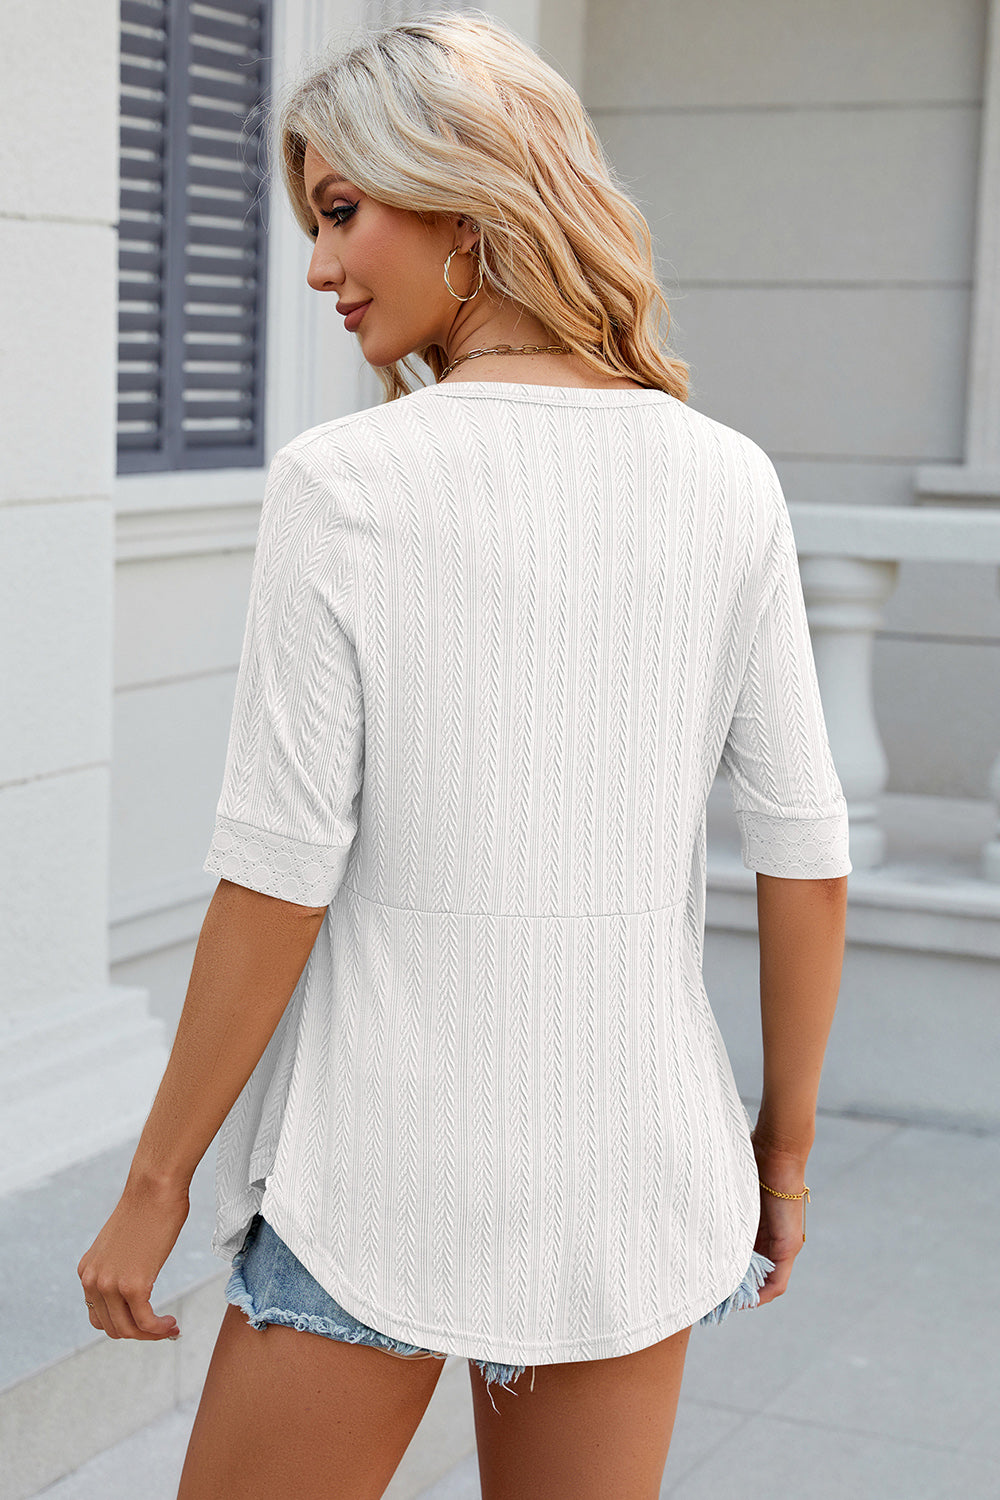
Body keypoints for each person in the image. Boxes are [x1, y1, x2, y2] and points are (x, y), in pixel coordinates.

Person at [77, 10, 850, 1498]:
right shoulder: (727, 478)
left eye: (340, 211)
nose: (318, 269)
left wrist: (155, 1185)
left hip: (384, 1172)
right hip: (636, 1171)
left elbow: (278, 871)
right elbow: (805, 856)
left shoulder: (345, 482)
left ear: (465, 195)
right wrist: (781, 1157)